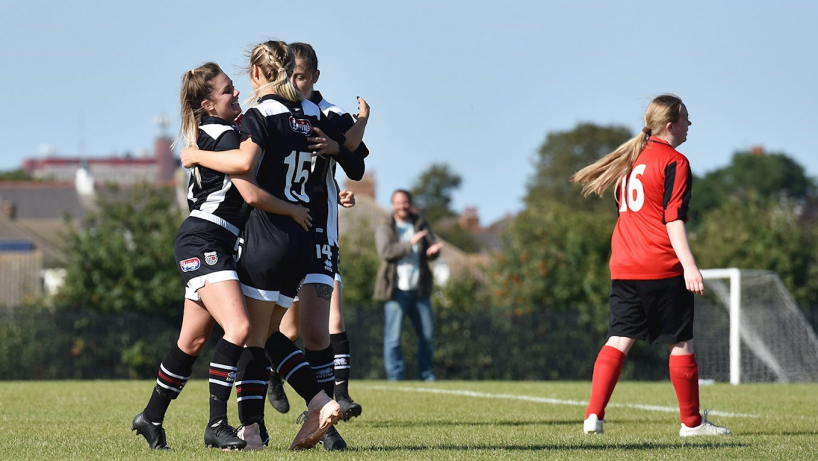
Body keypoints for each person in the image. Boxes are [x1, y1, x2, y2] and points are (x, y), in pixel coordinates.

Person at [181, 40, 361, 450]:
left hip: (268, 233)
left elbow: (244, 164)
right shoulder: (310, 112)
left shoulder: (263, 114)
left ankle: (273, 421)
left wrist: (195, 154)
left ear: (259, 74)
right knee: (270, 335)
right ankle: (296, 412)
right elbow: (351, 152)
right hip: (301, 238)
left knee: (253, 339)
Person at [132, 62, 311, 451]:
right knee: (242, 329)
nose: (236, 94)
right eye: (228, 90)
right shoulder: (225, 136)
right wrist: (292, 208)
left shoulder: (212, 134)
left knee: (192, 341)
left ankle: (150, 417)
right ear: (208, 104)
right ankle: (216, 423)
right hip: (205, 240)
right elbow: (248, 185)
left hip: (216, 241)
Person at [571, 94, 731, 437]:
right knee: (682, 343)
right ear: (671, 125)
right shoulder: (675, 161)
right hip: (661, 265)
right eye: (687, 119)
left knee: (618, 339)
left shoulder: (630, 160)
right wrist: (689, 265)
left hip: (625, 266)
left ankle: (592, 416)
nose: (690, 125)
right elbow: (673, 219)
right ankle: (691, 424)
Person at [273, 43, 369, 448]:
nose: (293, 84)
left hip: (318, 235)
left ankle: (328, 423)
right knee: (267, 329)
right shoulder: (271, 112)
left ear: (314, 76)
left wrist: (338, 147)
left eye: (299, 76)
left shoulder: (327, 115)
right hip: (274, 235)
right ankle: (246, 418)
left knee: (315, 330)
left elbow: (358, 165)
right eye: (287, 76)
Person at [374, 189, 443, 381]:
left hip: (420, 288)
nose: (402, 206)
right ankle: (395, 377)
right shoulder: (385, 226)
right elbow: (386, 252)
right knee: (394, 338)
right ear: (392, 205)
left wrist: (433, 252)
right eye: (398, 202)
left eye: (405, 202)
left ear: (410, 204)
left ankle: (426, 375)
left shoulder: (420, 223)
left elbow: (431, 246)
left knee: (427, 335)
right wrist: (410, 243)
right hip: (396, 289)